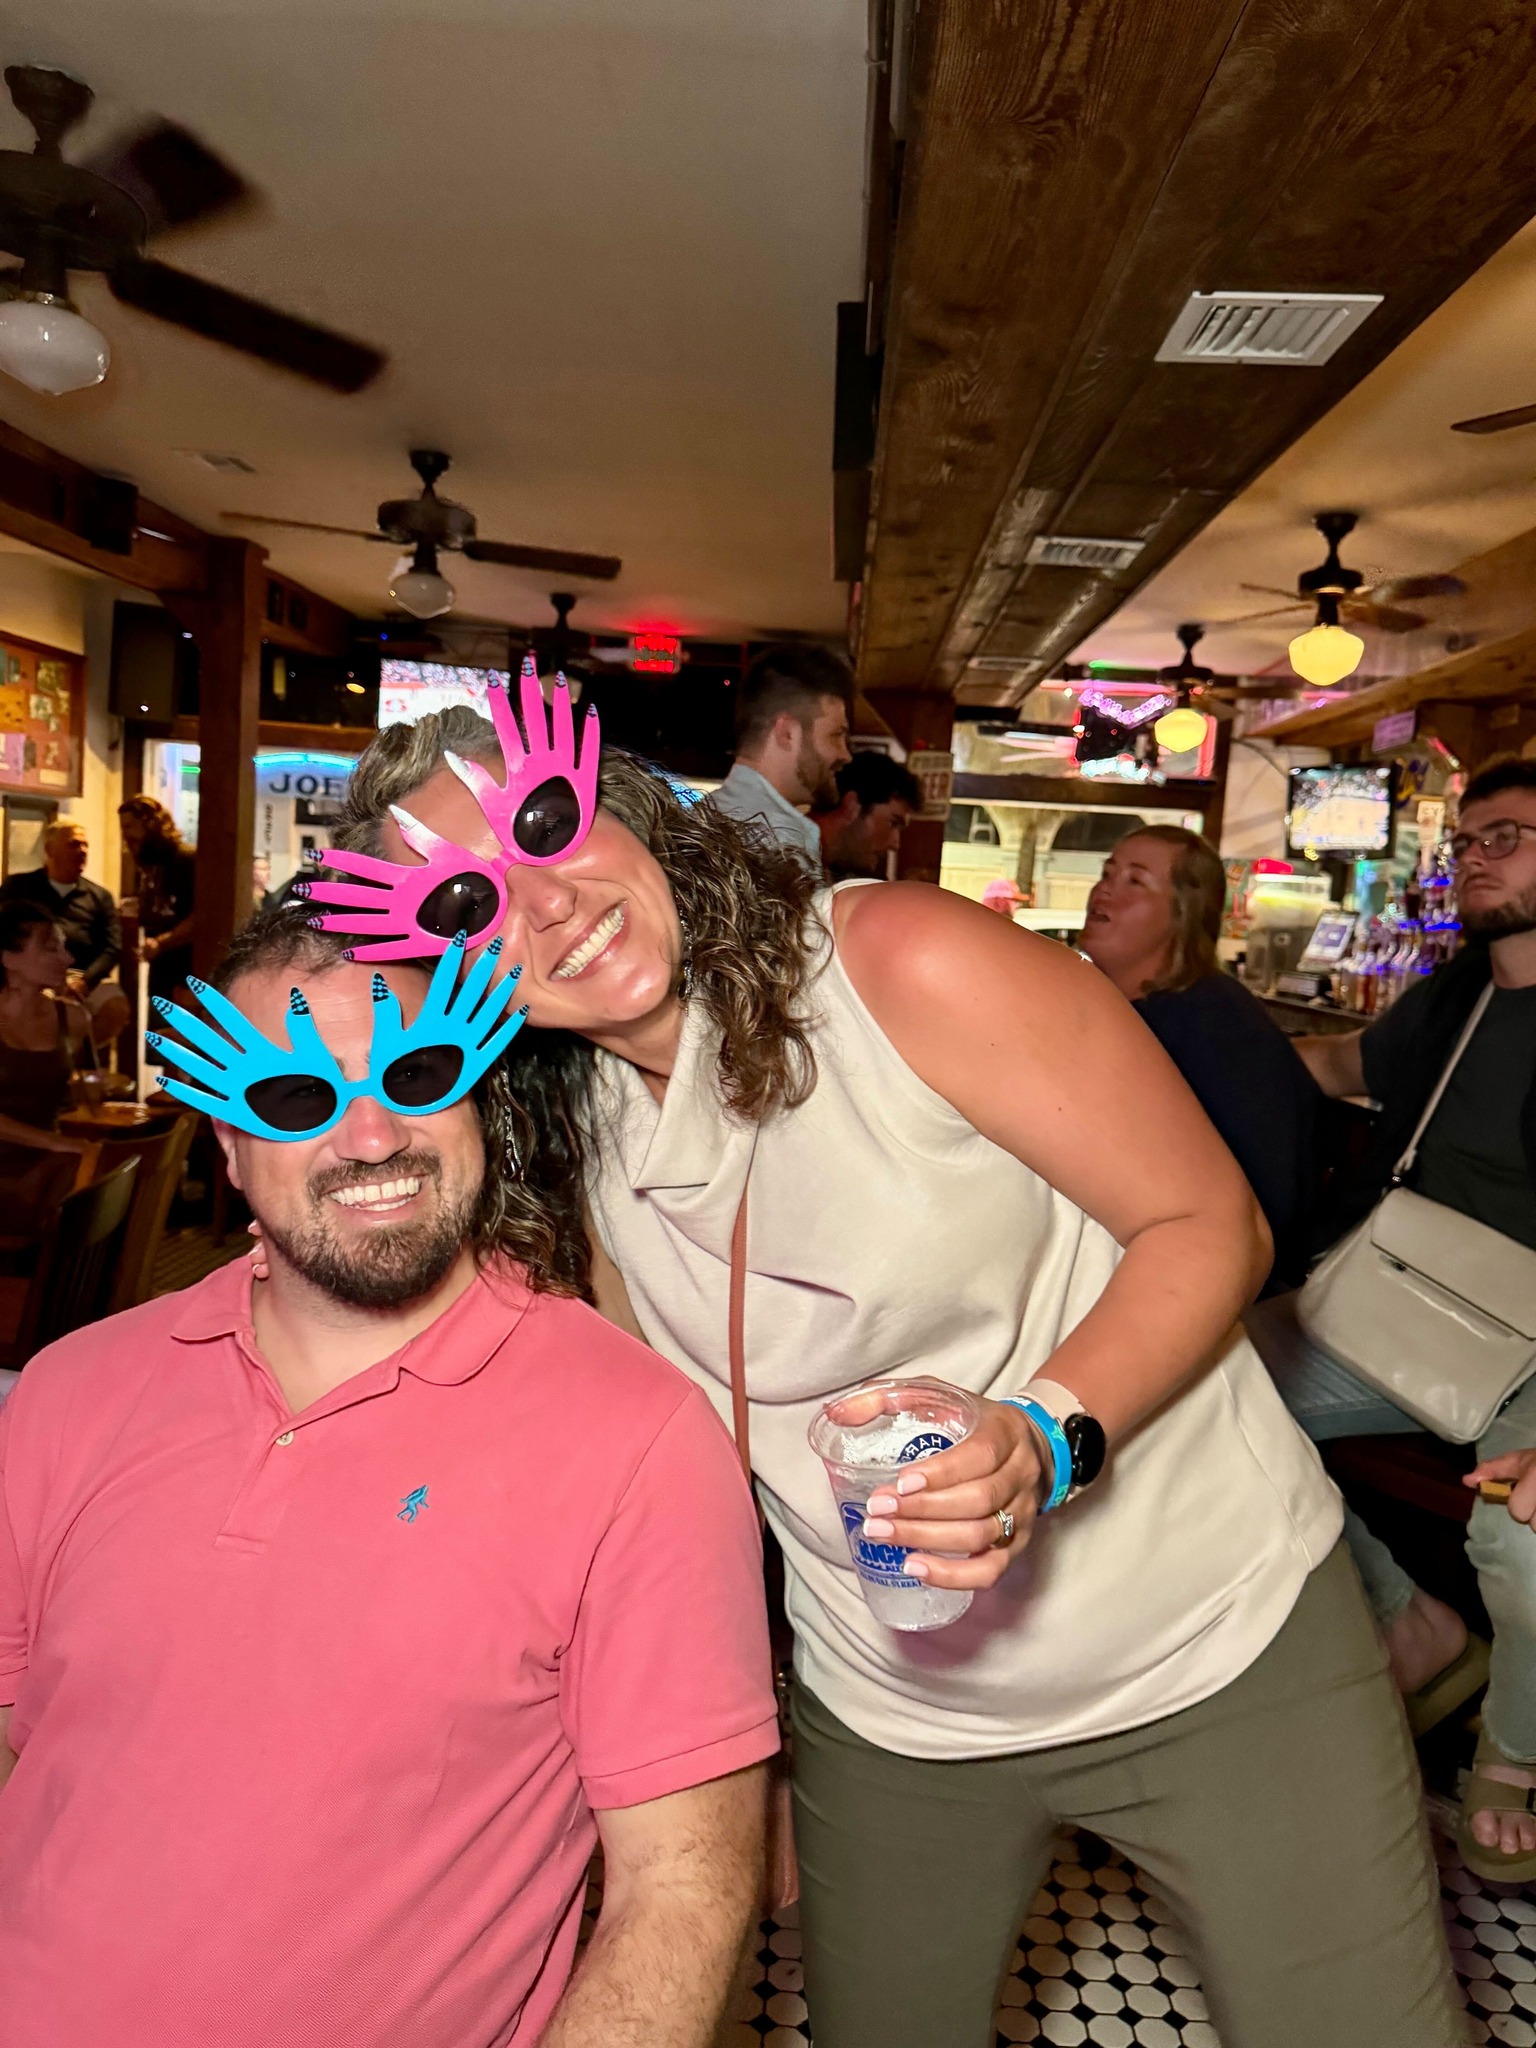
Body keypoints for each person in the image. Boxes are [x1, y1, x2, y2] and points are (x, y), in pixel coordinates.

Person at [302, 668, 1461, 2048]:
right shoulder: (570, 1144)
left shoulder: (896, 962)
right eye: (464, 903)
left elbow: (1207, 1221)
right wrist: (753, 1750)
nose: (540, 902)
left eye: (543, 826)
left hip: (1215, 1648)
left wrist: (1042, 1435)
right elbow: (669, 1478)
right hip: (890, 1714)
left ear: (620, 810)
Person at [0, 909, 779, 2048]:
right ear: (225, 1144)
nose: (372, 1136)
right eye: (294, 1098)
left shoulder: (641, 1439)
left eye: (417, 1073)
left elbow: (683, 1893)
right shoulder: (71, 1389)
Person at [1279, 753, 1536, 1881]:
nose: (1477, 857)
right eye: (1468, 840)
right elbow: (1339, 1061)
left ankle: (1517, 1755)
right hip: (1411, 1294)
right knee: (1194, 1394)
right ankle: (1415, 1621)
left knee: (1524, 1540)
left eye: (1509, 836)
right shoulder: (1458, 989)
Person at [1080, 825, 1321, 1292]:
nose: (1105, 887)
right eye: (1108, 872)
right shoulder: (1127, 1008)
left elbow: (1263, 1196)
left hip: (1219, 1289)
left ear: (1182, 914)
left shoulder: (1207, 1022)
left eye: (1135, 880)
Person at [710, 642, 853, 868]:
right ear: (787, 733)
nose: (845, 755)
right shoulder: (780, 843)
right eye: (836, 735)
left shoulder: (704, 816)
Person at [0, 903, 93, 1232]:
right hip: (37, 1158)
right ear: (8, 958)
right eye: (51, 948)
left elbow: (77, 1094)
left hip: (48, 1160)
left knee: (96, 1171)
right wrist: (56, 1143)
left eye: (64, 947)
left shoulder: (73, 1018)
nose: (67, 959)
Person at [0, 821, 121, 997]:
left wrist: (86, 982)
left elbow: (112, 948)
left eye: (85, 845)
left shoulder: (100, 896)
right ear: (50, 850)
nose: (83, 851)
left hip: (82, 976)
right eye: (74, 844)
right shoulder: (18, 887)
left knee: (114, 1004)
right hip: (28, 974)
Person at [118, 794, 197, 1001]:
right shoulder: (147, 864)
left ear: (151, 825)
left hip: (189, 968)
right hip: (161, 970)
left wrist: (162, 942)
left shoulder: (186, 860)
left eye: (130, 827)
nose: (126, 836)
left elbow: (201, 917)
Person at [813, 751, 921, 879]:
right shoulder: (790, 862)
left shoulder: (822, 871)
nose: (895, 844)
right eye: (893, 823)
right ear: (851, 806)